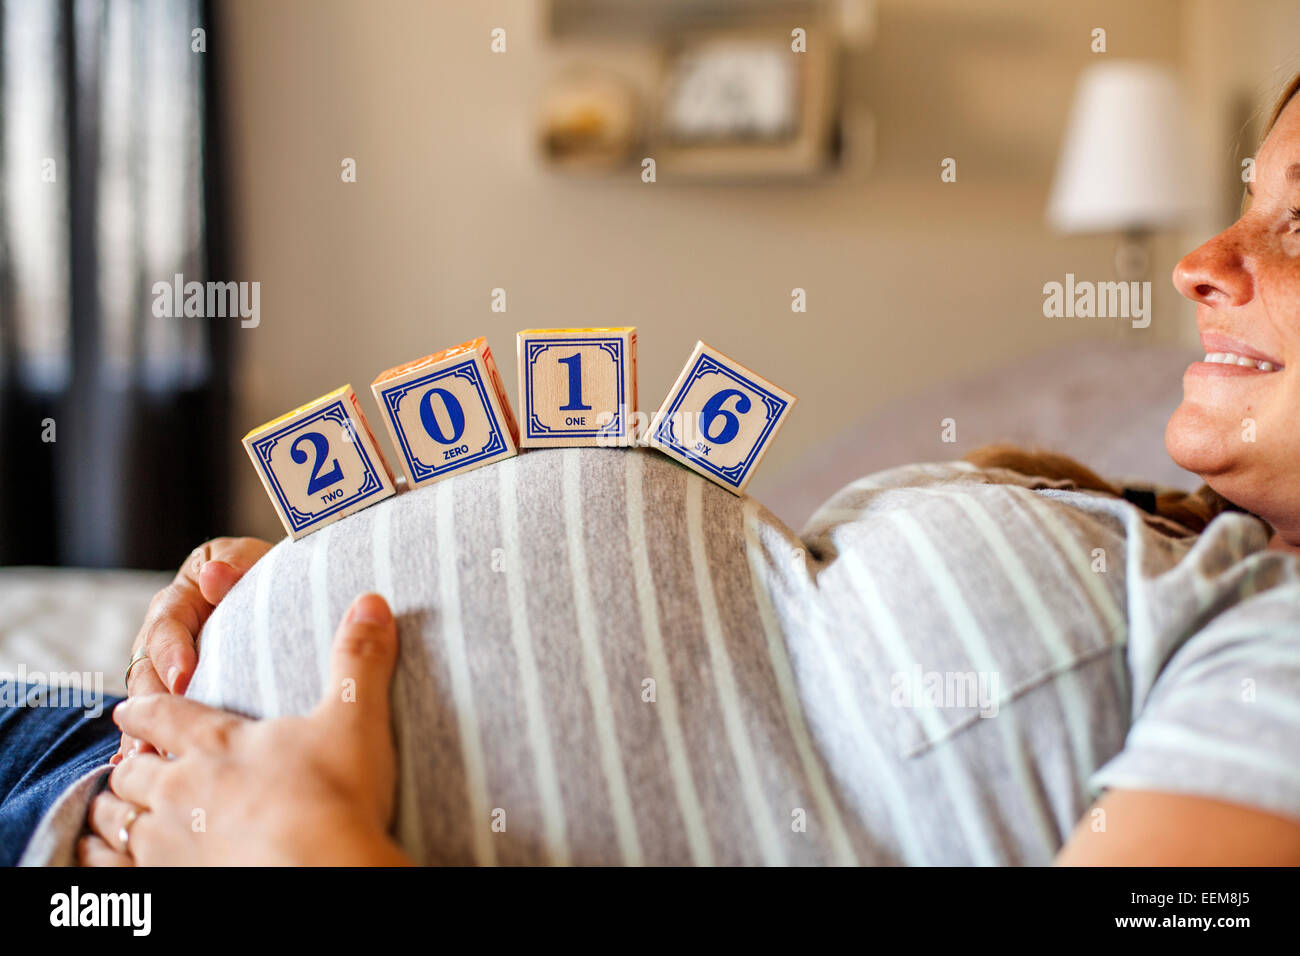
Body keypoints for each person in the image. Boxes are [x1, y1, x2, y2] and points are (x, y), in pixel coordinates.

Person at [6, 70, 1300, 868]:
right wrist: (258, 607)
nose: (1206, 257)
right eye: (1249, 199)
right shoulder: (1167, 548)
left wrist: (297, 854)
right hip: (92, 755)